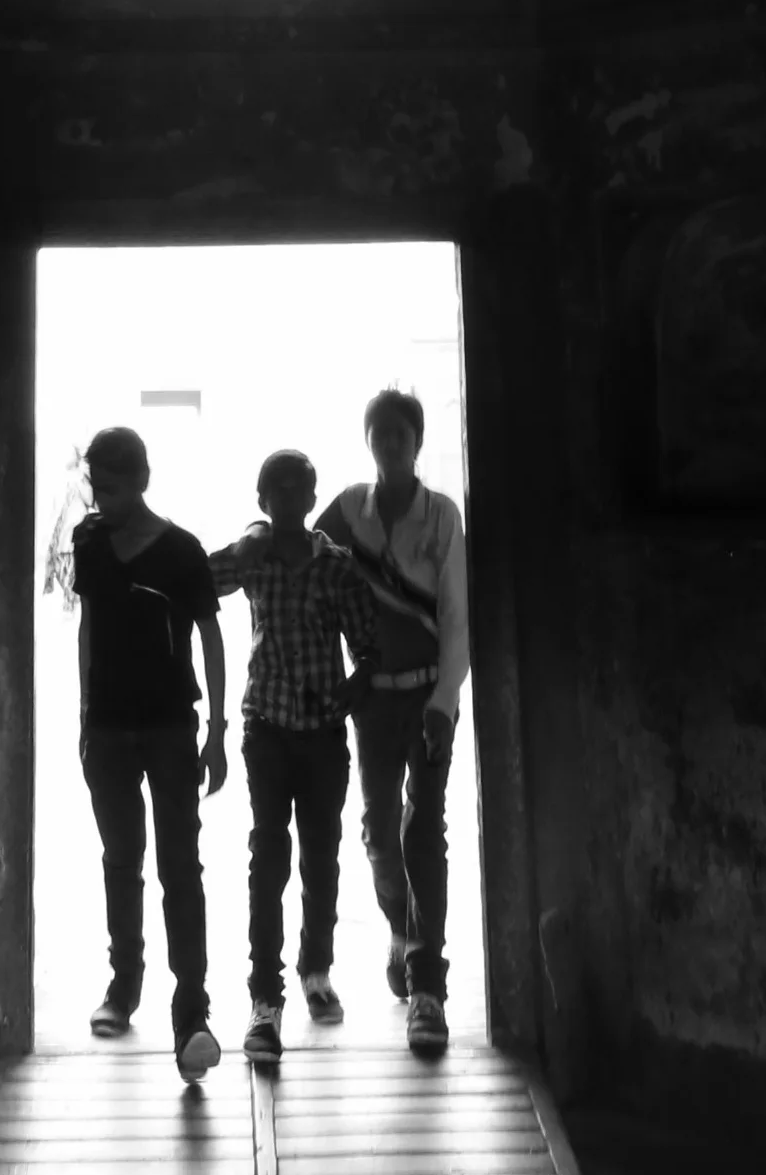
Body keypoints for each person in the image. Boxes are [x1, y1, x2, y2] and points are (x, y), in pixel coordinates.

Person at [206, 450, 380, 1066]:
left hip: (324, 733)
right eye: (273, 492)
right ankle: (264, 997)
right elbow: (204, 581)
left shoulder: (335, 567)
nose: (285, 500)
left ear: (311, 499)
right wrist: (246, 541)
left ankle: (316, 968)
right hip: (267, 728)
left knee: (322, 857)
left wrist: (355, 686)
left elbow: (368, 644)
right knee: (268, 857)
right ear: (262, 501)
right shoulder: (255, 562)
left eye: (296, 490)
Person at [313, 386, 469, 1058]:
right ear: (369, 442)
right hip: (372, 701)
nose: (390, 444)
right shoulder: (351, 511)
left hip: (428, 696)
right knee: (380, 830)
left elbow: (457, 615)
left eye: (400, 434)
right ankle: (403, 931)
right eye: (379, 434)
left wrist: (444, 702)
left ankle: (427, 987)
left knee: (423, 828)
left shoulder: (441, 516)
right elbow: (304, 556)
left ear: (417, 442)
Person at [71, 425, 228, 1078]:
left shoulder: (181, 551)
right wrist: (84, 713)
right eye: (96, 487)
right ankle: (123, 985)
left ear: (141, 480)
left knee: (180, 866)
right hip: (108, 728)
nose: (101, 499)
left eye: (111, 487)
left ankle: (191, 1010)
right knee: (120, 859)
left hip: (169, 728)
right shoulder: (89, 541)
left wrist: (216, 729)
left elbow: (211, 637)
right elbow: (88, 626)